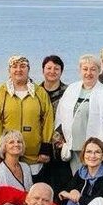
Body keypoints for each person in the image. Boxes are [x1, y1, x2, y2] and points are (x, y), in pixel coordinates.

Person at [0, 55, 54, 174]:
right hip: (7, 156)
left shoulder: (40, 93)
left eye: (23, 66)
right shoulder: (0, 93)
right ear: (9, 70)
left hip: (34, 157)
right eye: (14, 66)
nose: (18, 70)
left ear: (28, 69)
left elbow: (48, 120)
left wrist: (46, 148)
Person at [55, 54, 103, 169]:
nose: (88, 73)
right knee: (77, 177)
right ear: (80, 71)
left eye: (93, 69)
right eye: (85, 69)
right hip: (73, 147)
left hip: (95, 151)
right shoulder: (71, 89)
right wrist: (60, 137)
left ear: (99, 71)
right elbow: (60, 114)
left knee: (93, 176)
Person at [39, 54, 72, 193]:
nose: (52, 71)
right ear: (43, 70)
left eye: (56, 68)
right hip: (40, 146)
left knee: (61, 184)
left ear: (61, 71)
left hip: (61, 146)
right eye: (49, 68)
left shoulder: (69, 92)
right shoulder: (36, 92)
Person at [59, 137, 103, 205]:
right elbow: (62, 195)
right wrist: (73, 191)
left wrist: (76, 197)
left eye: (97, 152)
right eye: (89, 152)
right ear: (83, 155)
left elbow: (96, 204)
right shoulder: (81, 172)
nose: (92, 156)